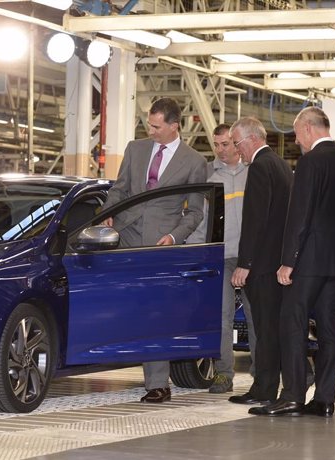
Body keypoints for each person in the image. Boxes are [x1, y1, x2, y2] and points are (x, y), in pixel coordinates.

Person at [249, 107, 335, 417]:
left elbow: (300, 215)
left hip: (308, 260)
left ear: (309, 129)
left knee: (291, 322)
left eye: (297, 134)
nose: (296, 140)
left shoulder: (310, 163)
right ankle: (324, 399)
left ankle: (293, 395)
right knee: (328, 328)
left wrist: (288, 261)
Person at [101, 97, 208, 403]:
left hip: (160, 245)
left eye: (157, 126)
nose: (151, 130)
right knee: (119, 306)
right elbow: (119, 189)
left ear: (175, 126)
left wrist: (175, 237)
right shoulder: (135, 149)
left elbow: (195, 212)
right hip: (124, 237)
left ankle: (157, 383)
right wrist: (108, 211)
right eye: (149, 123)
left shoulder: (194, 162)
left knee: (154, 312)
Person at [187, 123, 257, 393]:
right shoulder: (208, 174)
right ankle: (224, 374)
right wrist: (193, 251)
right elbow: (199, 218)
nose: (220, 150)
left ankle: (261, 375)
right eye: (216, 145)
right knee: (221, 317)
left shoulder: (253, 171)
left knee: (255, 317)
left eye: (226, 144)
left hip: (251, 256)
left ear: (236, 143)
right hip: (222, 257)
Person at [228, 116, 292, 407]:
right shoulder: (281, 165)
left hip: (263, 266)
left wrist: (245, 263)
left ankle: (265, 389)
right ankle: (263, 386)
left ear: (252, 138)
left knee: (266, 331)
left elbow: (256, 220)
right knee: (271, 329)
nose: (236, 149)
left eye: (237, 143)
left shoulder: (259, 167)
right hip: (277, 263)